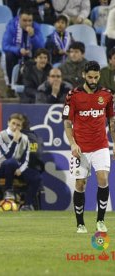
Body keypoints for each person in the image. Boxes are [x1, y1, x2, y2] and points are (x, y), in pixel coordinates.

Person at [62, 61, 115, 234]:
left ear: (99, 75)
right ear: (84, 75)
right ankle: (80, 224)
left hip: (100, 145)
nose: (93, 80)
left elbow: (112, 122)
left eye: (96, 77)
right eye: (90, 77)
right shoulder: (73, 95)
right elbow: (67, 122)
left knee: (103, 179)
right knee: (80, 184)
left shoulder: (107, 95)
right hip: (81, 147)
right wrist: (73, 144)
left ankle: (100, 220)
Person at [0, 113, 41, 211]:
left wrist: (21, 169)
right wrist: (15, 140)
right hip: (1, 168)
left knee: (36, 177)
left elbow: (26, 159)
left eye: (18, 125)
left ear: (21, 127)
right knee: (11, 162)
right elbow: (5, 156)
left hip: (17, 169)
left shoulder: (24, 138)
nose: (15, 127)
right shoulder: (0, 136)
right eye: (13, 123)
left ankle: (27, 204)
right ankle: (8, 190)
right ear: (8, 123)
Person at [2, 9, 44, 87]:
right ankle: (11, 84)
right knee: (9, 55)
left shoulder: (36, 27)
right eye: (24, 20)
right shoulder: (12, 27)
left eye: (30, 21)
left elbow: (41, 47)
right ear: (19, 19)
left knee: (42, 55)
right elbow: (5, 46)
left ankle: (35, 84)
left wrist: (33, 36)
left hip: (31, 54)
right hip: (16, 54)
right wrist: (18, 50)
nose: (27, 23)